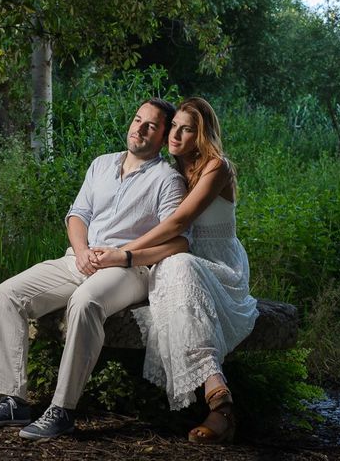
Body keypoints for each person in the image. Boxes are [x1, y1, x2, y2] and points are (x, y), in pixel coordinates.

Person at [0, 98, 191, 441]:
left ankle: (62, 409)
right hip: (79, 259)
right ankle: (13, 400)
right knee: (7, 294)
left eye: (151, 126)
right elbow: (77, 215)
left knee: (84, 303)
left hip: (129, 270)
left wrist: (123, 256)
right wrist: (83, 250)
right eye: (137, 120)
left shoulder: (167, 180)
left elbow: (179, 242)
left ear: (163, 138)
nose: (140, 129)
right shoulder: (101, 165)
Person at [92, 97, 259, 444]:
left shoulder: (217, 167)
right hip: (179, 260)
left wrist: (124, 251)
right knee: (171, 266)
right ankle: (220, 401)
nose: (177, 135)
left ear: (202, 135)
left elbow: (180, 221)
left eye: (188, 129)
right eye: (175, 127)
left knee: (176, 265)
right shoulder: (170, 171)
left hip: (220, 265)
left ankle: (218, 400)